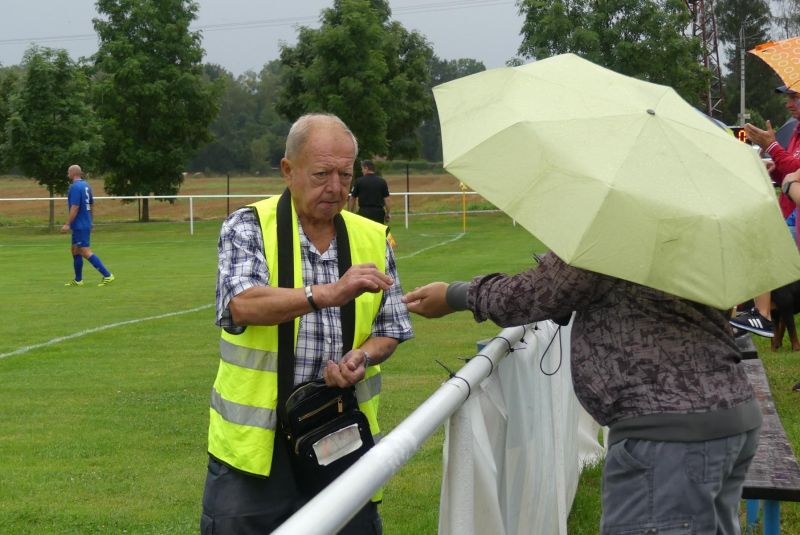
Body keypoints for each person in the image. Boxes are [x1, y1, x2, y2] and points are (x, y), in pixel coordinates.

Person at [403, 254, 761, 535]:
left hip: (668, 436)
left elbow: (536, 293)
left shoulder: (618, 223)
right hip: (729, 417)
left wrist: (454, 295)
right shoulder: (689, 222)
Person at [201, 113, 413, 534]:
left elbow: (392, 327)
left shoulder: (373, 236)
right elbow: (241, 304)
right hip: (255, 449)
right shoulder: (249, 225)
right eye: (321, 174)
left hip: (341, 432)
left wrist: (361, 357)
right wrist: (327, 294)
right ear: (288, 170)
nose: (335, 188)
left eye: (344, 174)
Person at [732, 84, 800, 336]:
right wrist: (773, 165)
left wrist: (772, 147)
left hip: (794, 213)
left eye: (795, 97)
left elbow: (796, 169)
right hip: (792, 212)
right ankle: (759, 314)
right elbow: (790, 167)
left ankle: (761, 314)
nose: (789, 104)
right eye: (789, 98)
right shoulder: (796, 131)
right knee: (760, 247)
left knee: (763, 246)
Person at [60, 164, 115, 287]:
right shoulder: (86, 186)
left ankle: (107, 275)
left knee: (84, 251)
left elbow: (75, 207)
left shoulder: (74, 187)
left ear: (73, 173)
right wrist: (91, 220)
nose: (67, 174)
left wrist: (67, 224)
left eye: (68, 172)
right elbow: (91, 205)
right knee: (75, 250)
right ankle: (78, 280)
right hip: (84, 223)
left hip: (79, 224)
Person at [348, 160, 391, 224]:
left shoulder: (359, 181)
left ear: (366, 168)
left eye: (362, 169)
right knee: (377, 233)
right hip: (378, 213)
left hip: (364, 212)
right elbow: (387, 199)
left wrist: (350, 213)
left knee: (364, 233)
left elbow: (352, 198)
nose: (361, 171)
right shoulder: (382, 181)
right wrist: (388, 213)